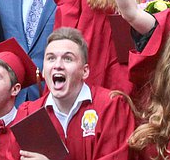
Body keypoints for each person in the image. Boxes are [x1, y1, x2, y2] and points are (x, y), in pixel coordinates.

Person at [13, 28, 135, 160]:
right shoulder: (29, 114)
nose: (57, 65)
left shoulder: (110, 106)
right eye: (51, 58)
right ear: (43, 71)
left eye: (68, 59)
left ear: (85, 71)